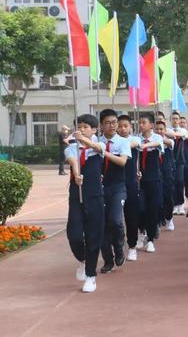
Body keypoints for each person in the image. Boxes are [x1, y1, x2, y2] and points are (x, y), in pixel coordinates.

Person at [64, 114, 105, 293]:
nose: (81, 130)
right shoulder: (72, 147)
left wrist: (86, 141)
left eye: (85, 127)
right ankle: (82, 259)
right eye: (79, 126)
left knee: (93, 236)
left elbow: (98, 147)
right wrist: (76, 173)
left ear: (94, 130)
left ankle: (91, 276)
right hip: (76, 194)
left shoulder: (99, 146)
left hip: (95, 196)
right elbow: (72, 159)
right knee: (73, 233)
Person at [98, 109, 131, 274]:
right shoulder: (96, 141)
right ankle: (108, 260)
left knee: (115, 221)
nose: (112, 126)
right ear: (101, 125)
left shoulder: (122, 142)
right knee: (102, 225)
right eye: (108, 123)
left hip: (118, 187)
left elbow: (122, 162)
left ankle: (119, 248)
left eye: (114, 122)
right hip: (99, 189)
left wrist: (103, 152)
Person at [138, 113, 165, 253]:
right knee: (141, 208)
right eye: (139, 122)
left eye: (144, 122)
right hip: (139, 179)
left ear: (151, 125)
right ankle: (141, 231)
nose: (141, 125)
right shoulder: (136, 138)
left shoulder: (157, 137)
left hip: (154, 178)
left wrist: (144, 145)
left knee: (153, 208)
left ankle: (150, 239)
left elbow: (158, 144)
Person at [117, 114, 142, 262]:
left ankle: (132, 246)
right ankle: (118, 245)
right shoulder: (109, 143)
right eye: (120, 126)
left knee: (131, 216)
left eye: (125, 126)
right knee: (115, 219)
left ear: (131, 127)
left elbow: (132, 145)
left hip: (131, 183)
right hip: (115, 183)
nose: (122, 128)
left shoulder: (135, 140)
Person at [155, 120, 176, 231]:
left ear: (165, 130)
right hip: (155, 171)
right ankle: (158, 220)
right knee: (157, 197)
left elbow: (169, 142)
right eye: (157, 129)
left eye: (161, 129)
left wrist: (159, 139)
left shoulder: (169, 142)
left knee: (168, 196)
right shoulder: (150, 141)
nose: (159, 131)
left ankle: (169, 218)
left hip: (167, 172)